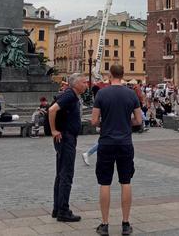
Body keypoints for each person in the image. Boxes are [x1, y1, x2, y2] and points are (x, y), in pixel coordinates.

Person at [91, 64, 143, 236]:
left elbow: (93, 121)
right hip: (125, 142)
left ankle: (105, 224)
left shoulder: (102, 93)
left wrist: (105, 124)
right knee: (125, 181)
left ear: (110, 74)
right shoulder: (131, 94)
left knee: (105, 183)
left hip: (106, 142)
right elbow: (138, 120)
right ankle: (126, 224)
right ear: (123, 75)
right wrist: (125, 123)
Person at [48, 73, 87, 223]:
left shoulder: (71, 95)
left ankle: (57, 208)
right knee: (66, 175)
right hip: (66, 138)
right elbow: (52, 110)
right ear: (76, 84)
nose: (86, 84)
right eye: (83, 82)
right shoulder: (70, 95)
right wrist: (53, 130)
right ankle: (63, 210)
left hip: (65, 138)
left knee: (61, 174)